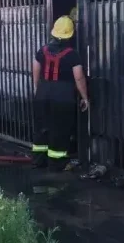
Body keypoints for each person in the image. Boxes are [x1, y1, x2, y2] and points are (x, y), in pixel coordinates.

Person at [31, 15, 89, 171]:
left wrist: (38, 89)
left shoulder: (41, 51)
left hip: (42, 94)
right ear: (70, 34)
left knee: (42, 128)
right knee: (59, 130)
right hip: (63, 98)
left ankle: (38, 160)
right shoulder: (72, 54)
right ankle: (56, 164)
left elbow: (35, 71)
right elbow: (79, 77)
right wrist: (85, 97)